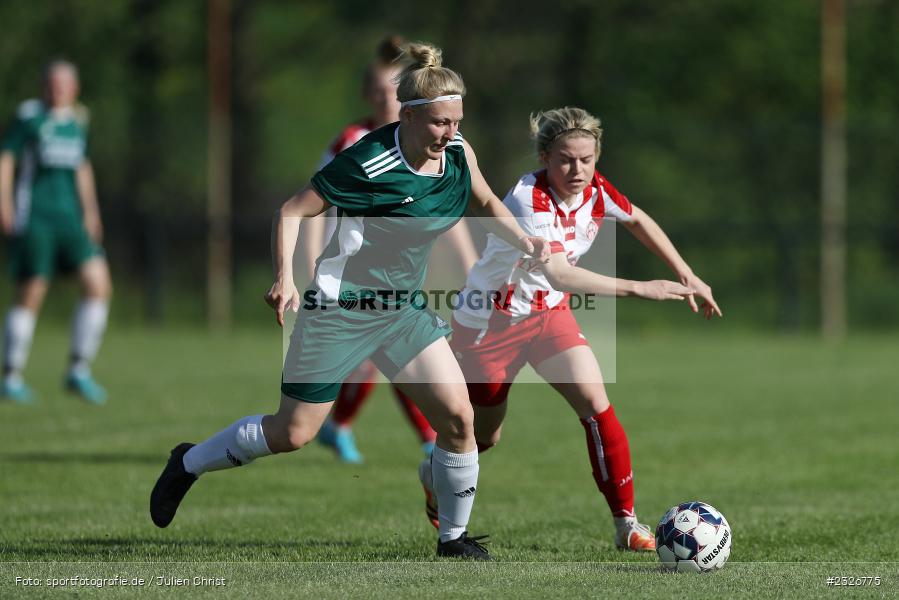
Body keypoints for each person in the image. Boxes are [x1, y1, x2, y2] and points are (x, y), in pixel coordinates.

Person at [150, 42, 550, 560]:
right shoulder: (367, 163)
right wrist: (285, 278)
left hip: (403, 310)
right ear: (408, 115)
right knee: (293, 432)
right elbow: (292, 212)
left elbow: (488, 201)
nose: (450, 133)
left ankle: (453, 539)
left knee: (458, 419)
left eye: (456, 121)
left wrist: (528, 241)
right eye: (438, 123)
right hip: (342, 309)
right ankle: (188, 463)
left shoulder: (457, 153)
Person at [419, 106, 722, 551]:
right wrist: (643, 287)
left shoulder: (596, 189)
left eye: (586, 159)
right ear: (544, 156)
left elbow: (637, 218)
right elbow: (560, 273)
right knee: (484, 436)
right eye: (565, 159)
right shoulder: (528, 198)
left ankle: (626, 525)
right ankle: (434, 471)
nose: (577, 169)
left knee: (596, 404)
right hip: (489, 324)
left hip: (548, 317)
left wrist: (685, 272)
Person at [304, 36, 478, 464]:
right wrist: (306, 270)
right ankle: (344, 427)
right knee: (375, 364)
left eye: (391, 89)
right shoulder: (355, 142)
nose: (386, 98)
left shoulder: (434, 142)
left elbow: (448, 204)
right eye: (380, 92)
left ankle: (407, 436)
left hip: (406, 264)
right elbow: (308, 207)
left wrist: (473, 265)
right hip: (352, 272)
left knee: (411, 356)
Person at [0, 60, 112, 405]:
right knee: (31, 292)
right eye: (51, 82)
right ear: (42, 85)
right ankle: (11, 375)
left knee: (99, 285)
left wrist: (91, 212)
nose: (56, 89)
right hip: (36, 219)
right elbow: (6, 158)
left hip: (70, 221)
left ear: (74, 88)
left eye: (63, 83)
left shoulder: (77, 121)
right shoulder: (30, 118)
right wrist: (4, 204)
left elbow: (82, 167)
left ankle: (78, 370)